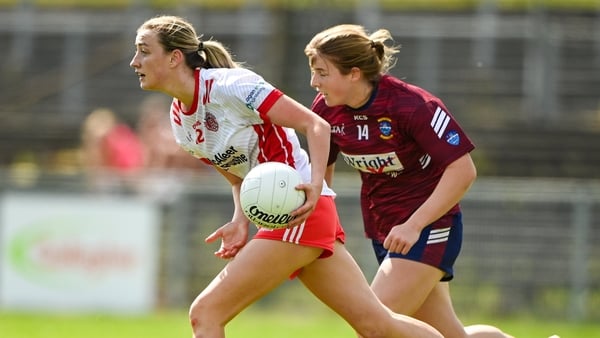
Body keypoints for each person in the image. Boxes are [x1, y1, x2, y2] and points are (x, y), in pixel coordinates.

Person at [130, 15, 442, 338]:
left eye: (143, 51)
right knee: (377, 325)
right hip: (287, 215)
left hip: (298, 210)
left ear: (174, 57)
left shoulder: (231, 87)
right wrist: (240, 218)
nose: (134, 61)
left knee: (205, 313)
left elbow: (316, 126)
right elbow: (238, 178)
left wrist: (316, 187)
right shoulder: (181, 122)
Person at [304, 24, 514, 338]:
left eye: (322, 72)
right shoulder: (327, 111)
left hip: (429, 228)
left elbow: (463, 170)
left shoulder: (412, 105)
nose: (313, 82)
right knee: (451, 334)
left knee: (374, 326)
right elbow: (322, 175)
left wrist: (414, 225)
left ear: (354, 73)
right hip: (386, 232)